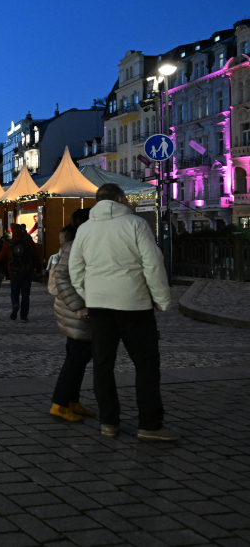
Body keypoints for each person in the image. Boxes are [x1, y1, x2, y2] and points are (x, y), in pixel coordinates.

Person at [69, 183, 175, 441]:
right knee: (146, 364)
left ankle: (109, 422)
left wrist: (88, 293)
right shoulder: (135, 224)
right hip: (133, 304)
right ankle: (149, 424)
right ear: (120, 199)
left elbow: (75, 268)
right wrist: (161, 298)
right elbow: (152, 263)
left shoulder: (85, 228)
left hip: (99, 306)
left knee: (103, 364)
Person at [48, 209, 95, 422]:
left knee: (80, 357)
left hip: (76, 310)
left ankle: (72, 401)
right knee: (76, 358)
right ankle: (60, 403)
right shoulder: (75, 245)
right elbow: (62, 277)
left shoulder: (80, 242)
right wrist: (78, 306)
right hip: (75, 311)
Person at [0, 224, 43, 321]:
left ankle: (15, 304)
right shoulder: (28, 242)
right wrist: (39, 270)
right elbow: (37, 257)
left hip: (14, 272)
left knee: (14, 291)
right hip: (28, 272)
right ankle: (24, 316)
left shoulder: (8, 243)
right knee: (25, 294)